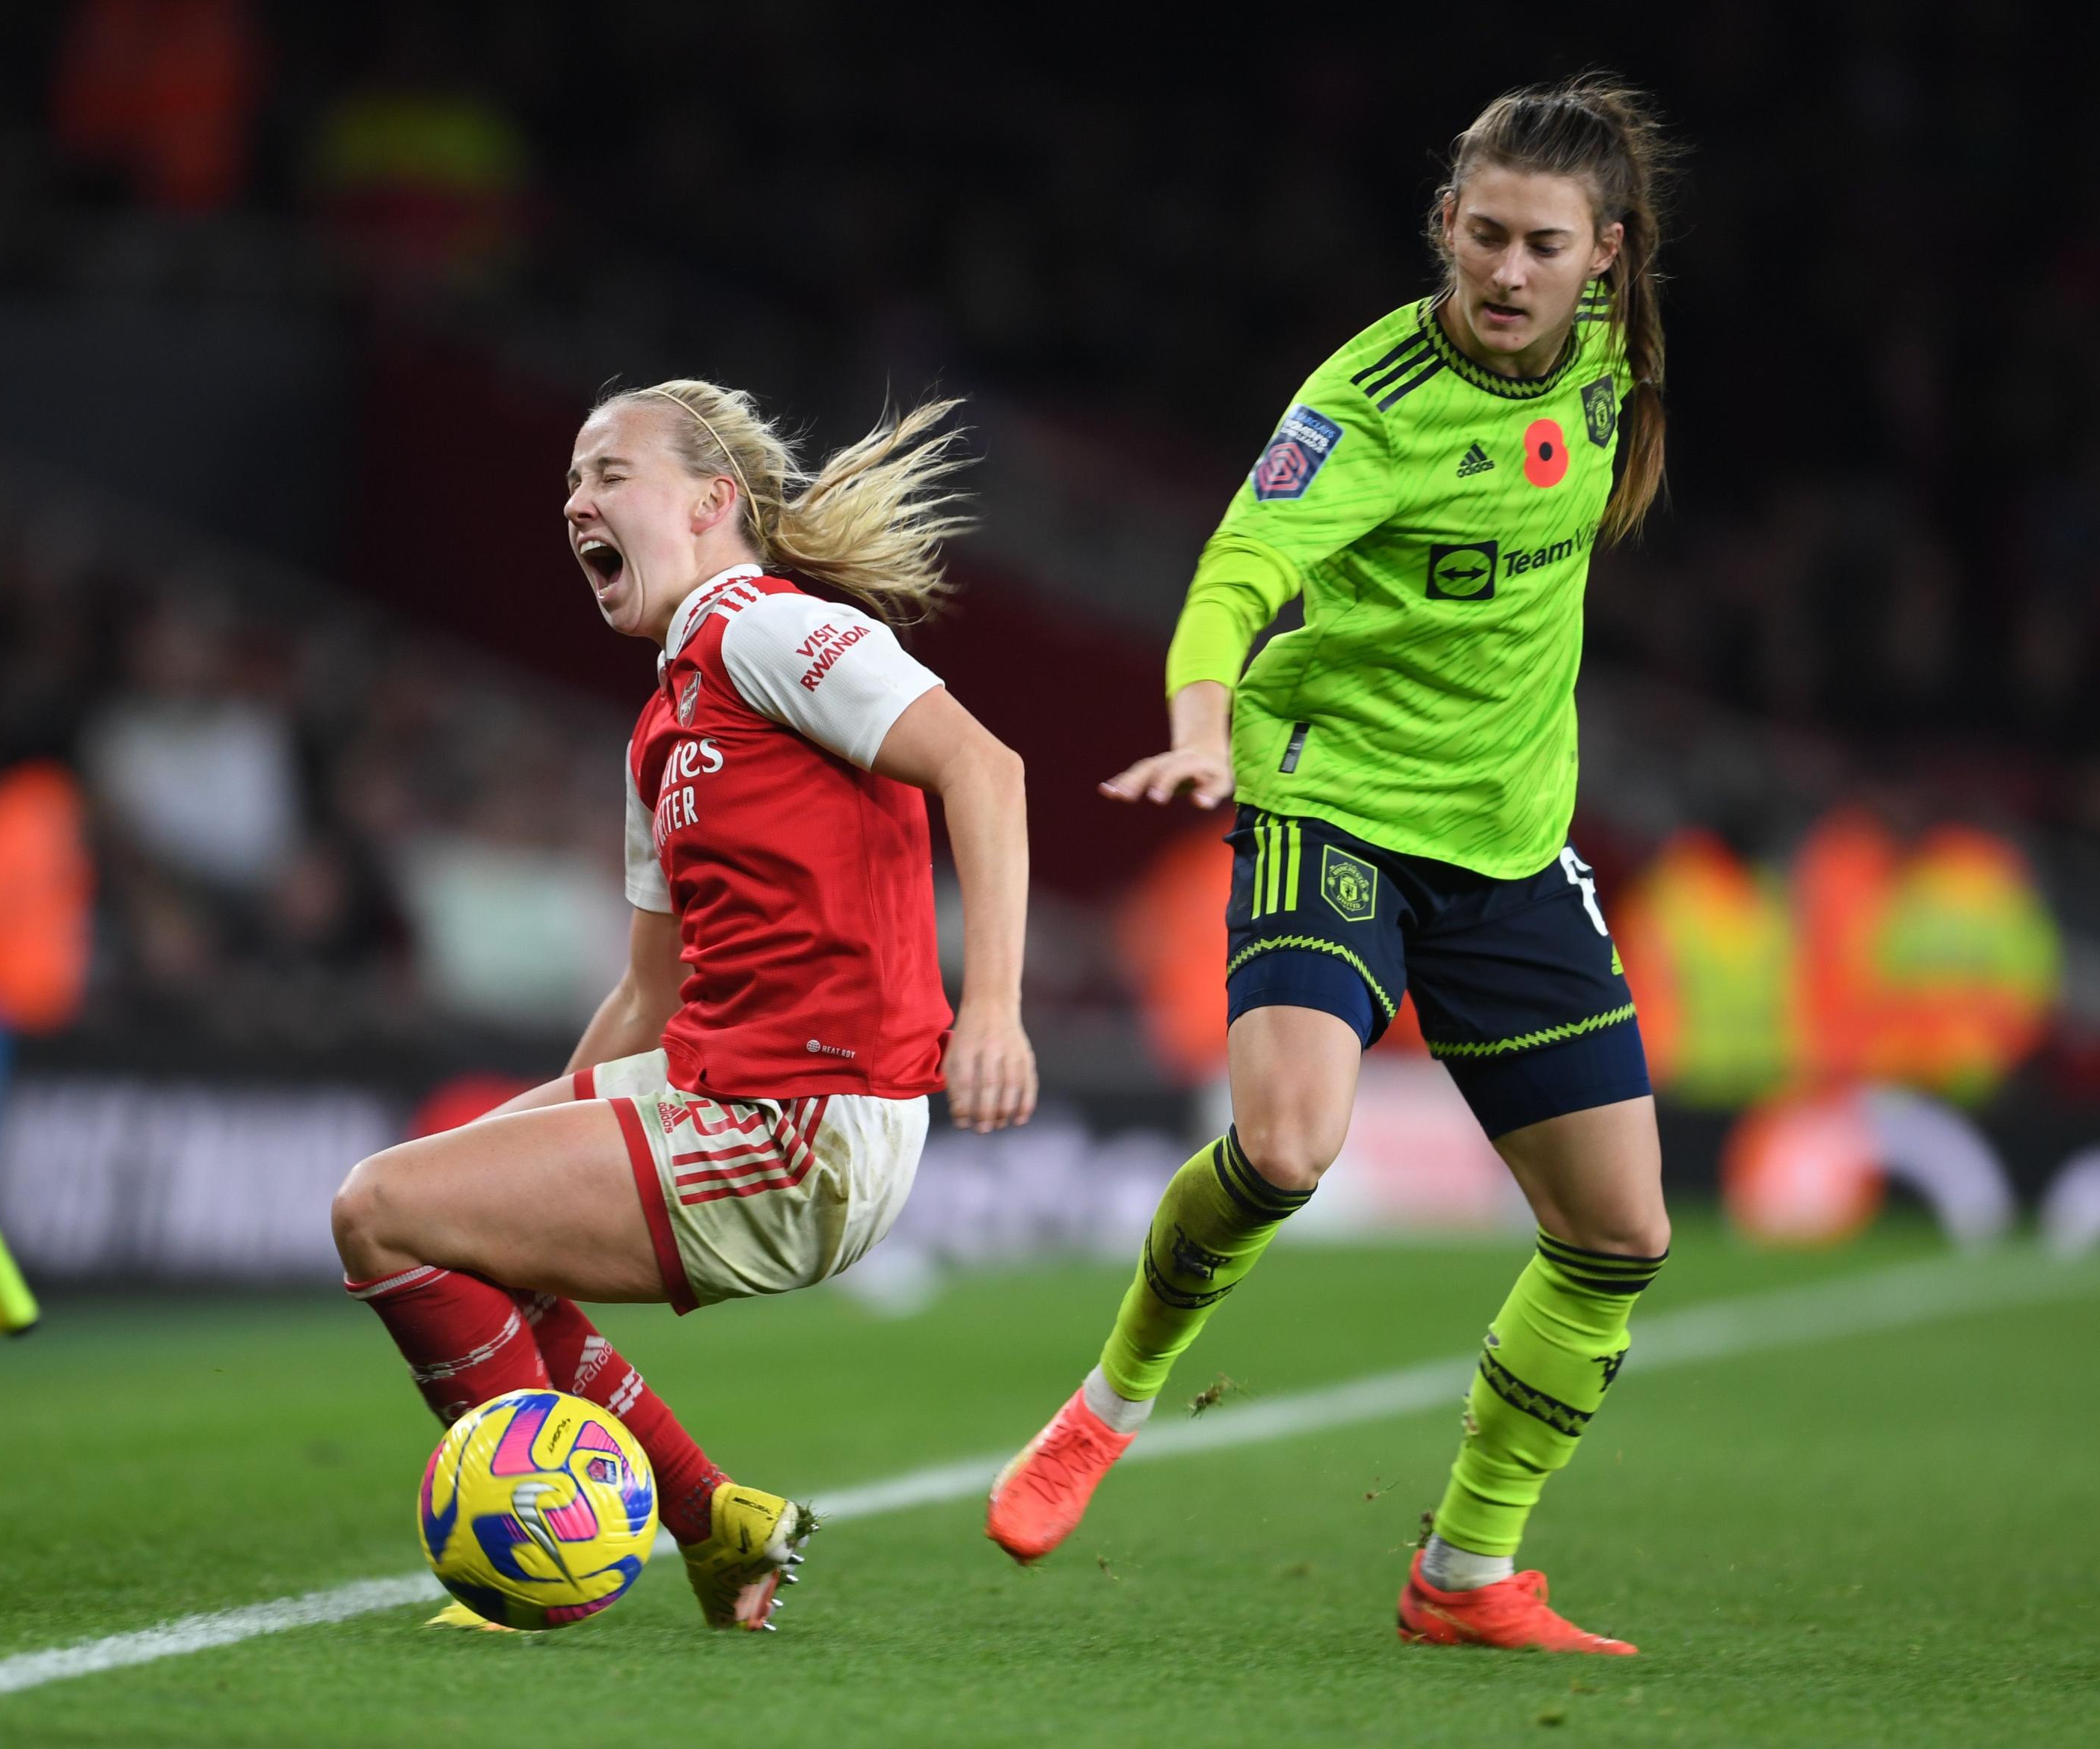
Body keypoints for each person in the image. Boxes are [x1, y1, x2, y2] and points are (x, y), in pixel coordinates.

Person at [985, 77, 1677, 1655]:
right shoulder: (1362, 404)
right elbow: (1242, 566)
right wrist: (1203, 721)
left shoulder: (1611, 370)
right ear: (1444, 223)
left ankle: (1464, 1570)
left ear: (1605, 258)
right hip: (1335, 801)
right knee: (1288, 1148)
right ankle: (1108, 1402)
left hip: (1507, 846)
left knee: (1621, 1233)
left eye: (1542, 246)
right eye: (1483, 234)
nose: (1506, 273)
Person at [333, 379, 1036, 1633]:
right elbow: (650, 995)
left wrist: (993, 1011)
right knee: (437, 1211)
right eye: (568, 481)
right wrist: (505, 1140)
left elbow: (987, 765)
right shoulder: (665, 720)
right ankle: (718, 1526)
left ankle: (532, 1555)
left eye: (609, 473)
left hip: (807, 1110)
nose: (575, 502)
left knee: (380, 1211)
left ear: (715, 503)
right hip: (736, 1085)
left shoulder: (765, 630)